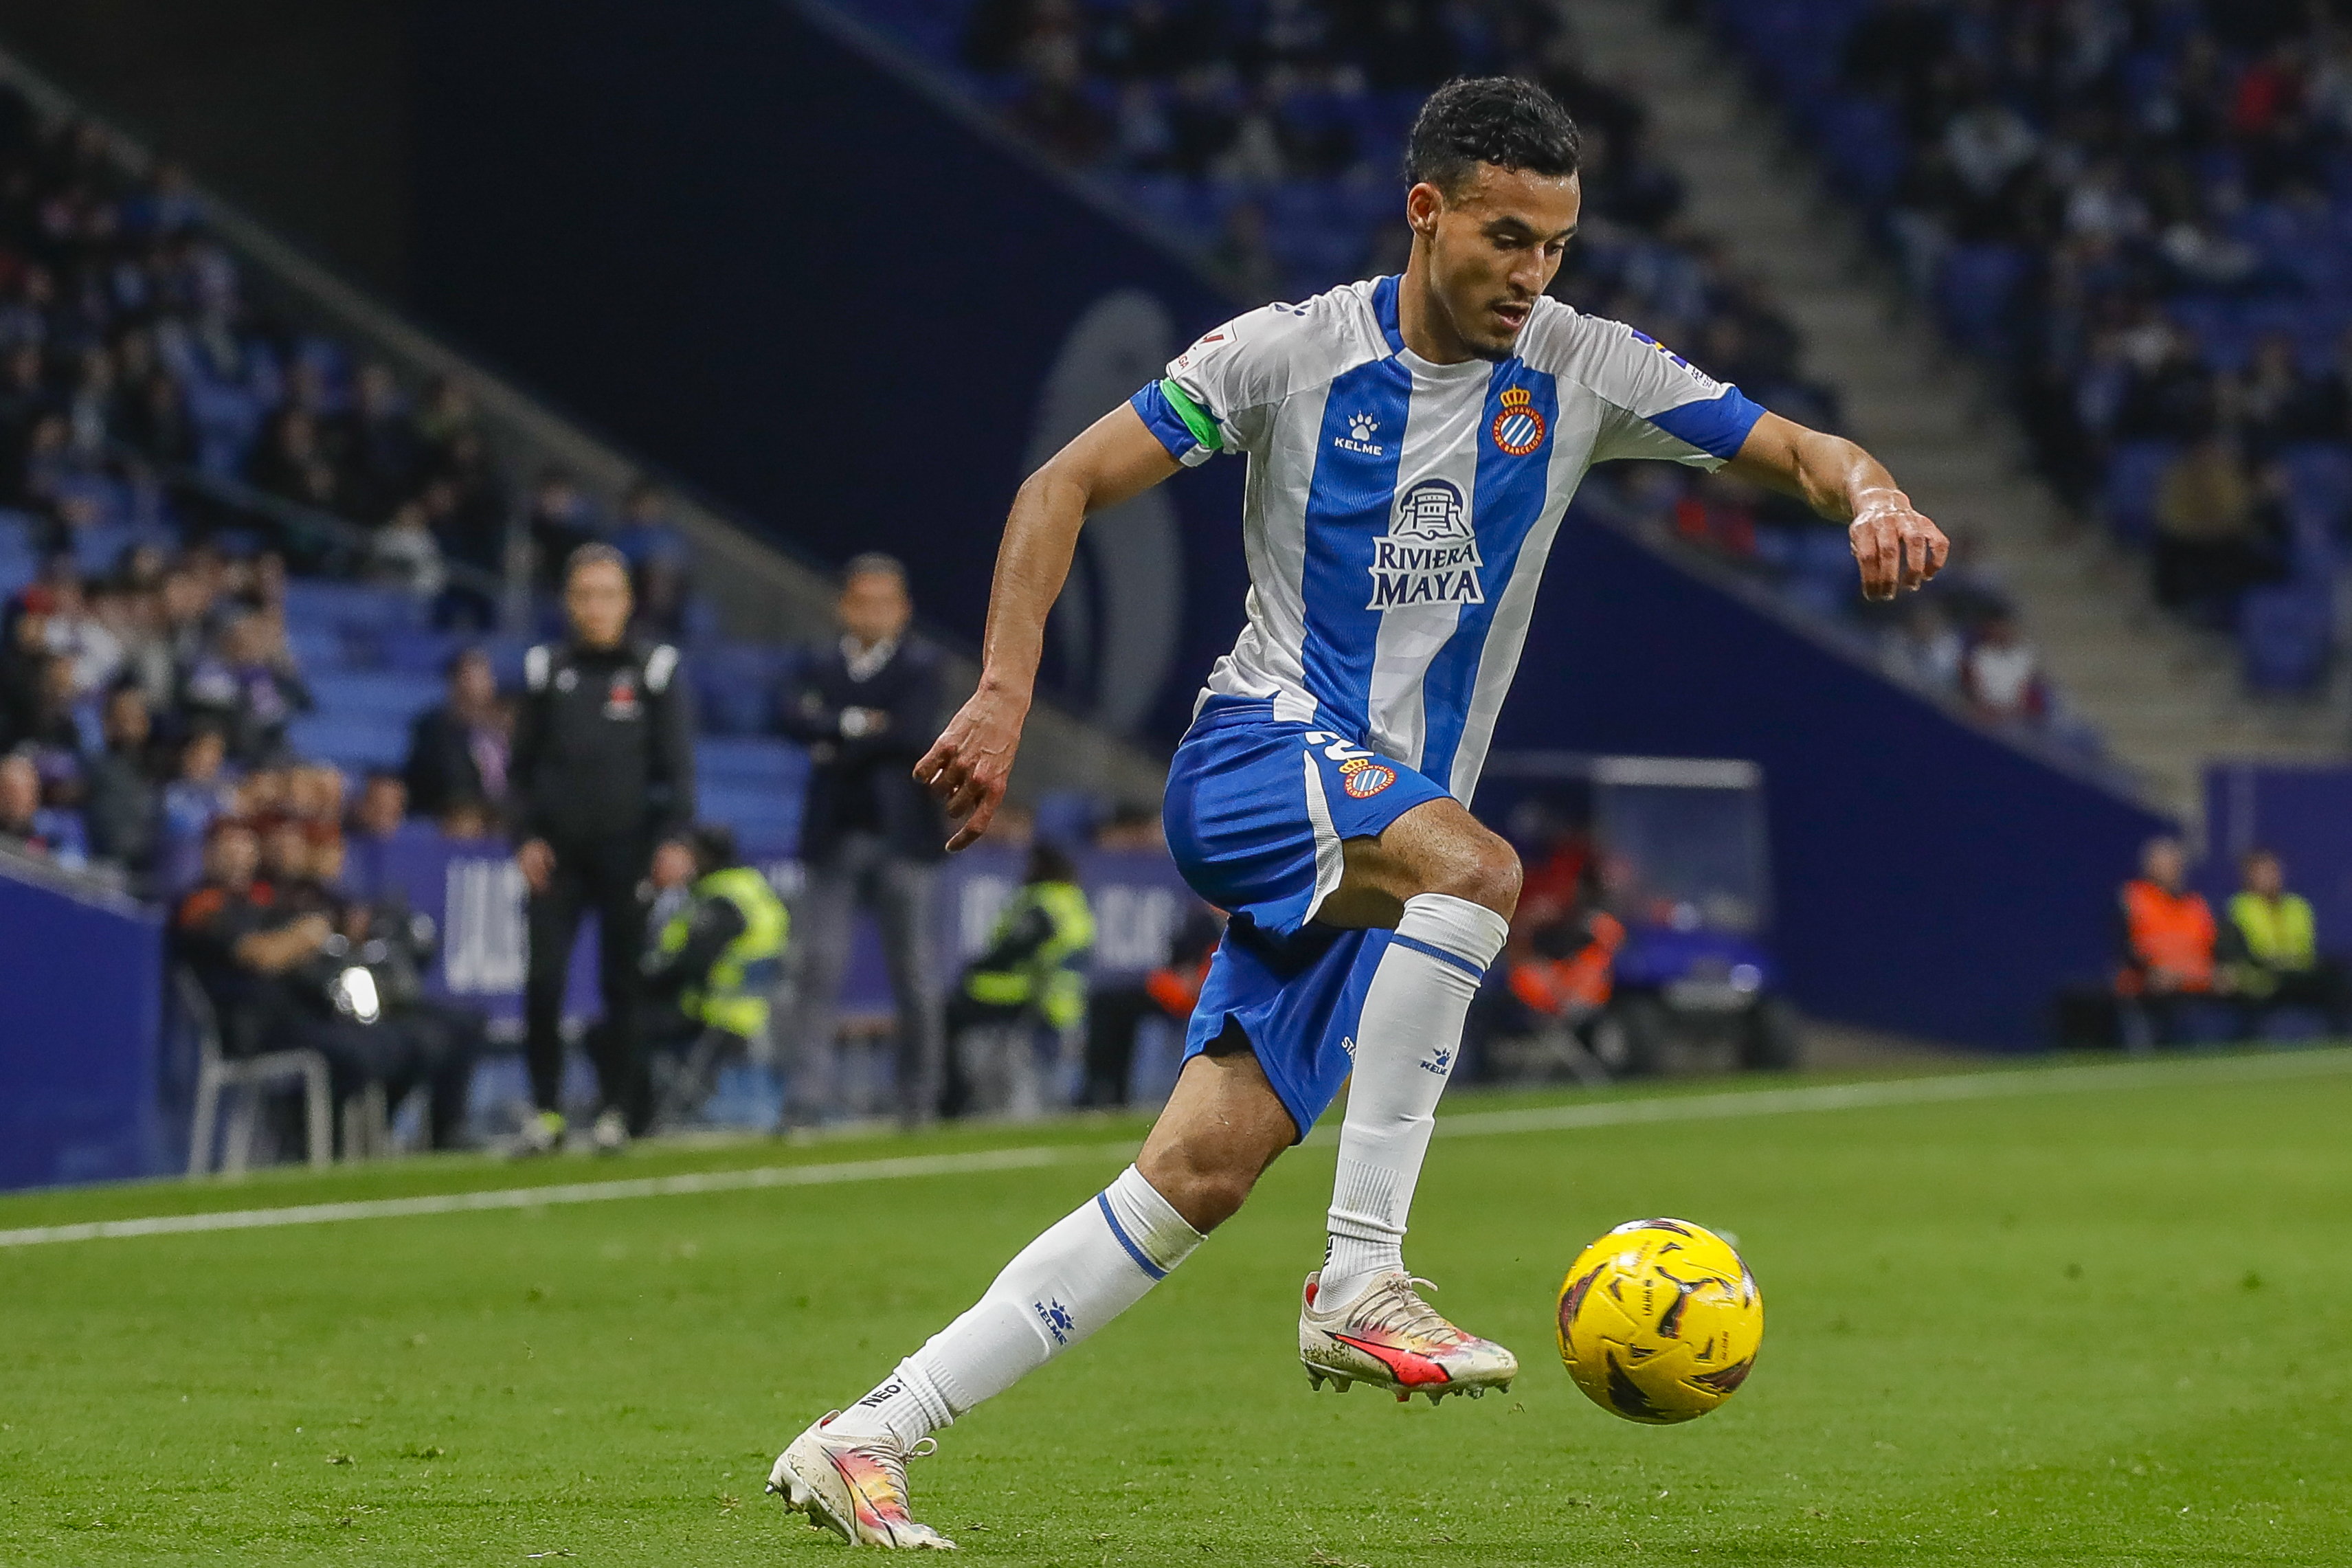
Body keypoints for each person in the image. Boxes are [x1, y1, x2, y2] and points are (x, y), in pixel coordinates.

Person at [767, 77, 1949, 1546]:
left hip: (1375, 847)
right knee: (1482, 869)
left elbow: (1799, 449)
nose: (1530, 276)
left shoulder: (1580, 367)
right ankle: (1358, 1277)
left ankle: (871, 1431)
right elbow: (1061, 483)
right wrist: (1005, 692)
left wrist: (1870, 498)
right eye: (1505, 238)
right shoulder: (1288, 354)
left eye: (1555, 248)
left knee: (1197, 1171)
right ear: (1425, 210)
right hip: (1261, 759)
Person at [509, 544, 695, 1154]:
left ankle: (617, 1111)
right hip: (557, 855)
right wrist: (524, 837)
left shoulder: (653, 670)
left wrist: (671, 839)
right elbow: (518, 769)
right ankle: (546, 1111)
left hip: (627, 851)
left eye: (607, 595)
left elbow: (677, 770)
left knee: (624, 985)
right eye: (584, 595)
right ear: (567, 602)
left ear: (627, 602)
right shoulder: (545, 669)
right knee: (543, 981)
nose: (595, 608)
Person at [776, 555, 948, 1131]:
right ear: (843, 606)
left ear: (903, 611)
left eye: (884, 603)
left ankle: (918, 1098)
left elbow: (913, 732)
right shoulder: (817, 661)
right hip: (835, 834)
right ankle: (805, 1099)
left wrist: (835, 730)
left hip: (904, 836)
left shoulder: (923, 665)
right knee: (815, 966)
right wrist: (863, 726)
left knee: (914, 973)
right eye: (862, 601)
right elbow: (787, 717)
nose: (872, 613)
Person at [639, 823, 789, 1128]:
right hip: (759, 1011)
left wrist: (646, 977)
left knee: (624, 1025)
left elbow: (692, 963)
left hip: (718, 1012)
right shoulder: (750, 886)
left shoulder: (720, 898)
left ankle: (638, 1115)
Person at [939, 840, 1096, 1119]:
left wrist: (978, 967)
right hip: (1065, 999)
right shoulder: (1073, 899)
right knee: (1050, 1070)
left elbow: (1017, 948)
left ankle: (956, 1103)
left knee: (1028, 1065)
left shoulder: (1040, 901)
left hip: (1025, 993)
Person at [1079, 904, 1222, 1108]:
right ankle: (1109, 1087)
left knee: (1115, 1005)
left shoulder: (1239, 922)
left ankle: (1104, 1087)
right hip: (1183, 990)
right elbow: (1179, 958)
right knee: (1113, 1005)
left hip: (1207, 996)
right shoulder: (1204, 923)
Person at [2222, 848, 2351, 1036]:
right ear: (2250, 876)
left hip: (2296, 974)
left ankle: (2340, 1038)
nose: (2272, 877)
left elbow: (2306, 951)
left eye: (2275, 871)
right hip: (2262, 977)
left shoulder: (2298, 906)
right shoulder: (2239, 908)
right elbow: (2241, 953)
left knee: (2338, 978)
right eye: (2264, 872)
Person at [2116, 834, 2224, 1051]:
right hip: (2147, 994)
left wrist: (2219, 972)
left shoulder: (2196, 904)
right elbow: (2127, 947)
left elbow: (2214, 948)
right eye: (2166, 864)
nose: (2174, 869)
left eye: (2177, 863)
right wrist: (2153, 971)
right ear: (2149, 867)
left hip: (2196, 993)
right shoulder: (2134, 898)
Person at [403, 647, 509, 818]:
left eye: (486, 675)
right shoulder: (435, 729)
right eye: (472, 677)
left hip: (502, 819)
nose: (483, 683)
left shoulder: (504, 731)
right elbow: (447, 781)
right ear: (455, 681)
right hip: (453, 819)